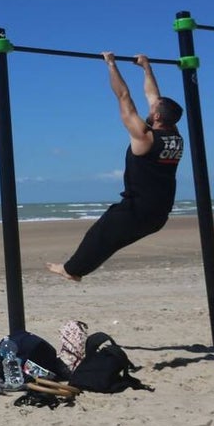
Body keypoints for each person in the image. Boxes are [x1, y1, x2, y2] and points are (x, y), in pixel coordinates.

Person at [47, 53, 184, 281]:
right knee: (109, 241)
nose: (150, 109)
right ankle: (75, 270)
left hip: (136, 211)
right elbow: (154, 97)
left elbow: (123, 96)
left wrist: (110, 64)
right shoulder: (176, 136)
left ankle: (71, 270)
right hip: (159, 214)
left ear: (157, 116)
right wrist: (146, 68)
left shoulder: (144, 137)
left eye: (153, 110)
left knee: (99, 235)